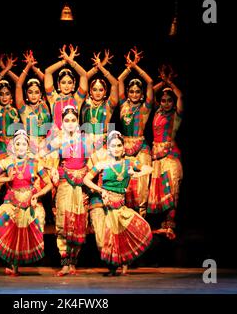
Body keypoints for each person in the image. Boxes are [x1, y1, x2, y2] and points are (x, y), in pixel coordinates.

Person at [83, 130, 153, 276]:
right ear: (109, 148)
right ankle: (113, 266)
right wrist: (100, 190)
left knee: (125, 234)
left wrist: (137, 173)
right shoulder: (103, 164)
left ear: (123, 147)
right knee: (108, 238)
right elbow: (86, 179)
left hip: (120, 205)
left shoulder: (130, 162)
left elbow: (149, 168)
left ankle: (123, 266)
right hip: (106, 204)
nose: (117, 148)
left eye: (119, 145)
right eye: (113, 146)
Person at [0, 130, 52, 276]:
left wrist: (37, 195)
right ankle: (12, 265)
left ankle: (14, 267)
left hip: (30, 201)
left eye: (24, 144)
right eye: (18, 144)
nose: (21, 147)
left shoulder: (35, 163)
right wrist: (7, 179)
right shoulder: (6, 162)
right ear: (13, 146)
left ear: (28, 146)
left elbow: (49, 184)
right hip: (12, 201)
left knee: (33, 225)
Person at [40, 105, 92, 276]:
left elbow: (94, 162)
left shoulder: (87, 140)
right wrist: (51, 168)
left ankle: (73, 263)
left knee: (79, 223)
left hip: (81, 185)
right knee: (63, 221)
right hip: (64, 183)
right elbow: (39, 154)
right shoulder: (58, 140)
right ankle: (64, 263)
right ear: (62, 122)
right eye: (67, 120)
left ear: (78, 121)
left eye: (73, 120)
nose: (70, 123)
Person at [81, 51, 119, 255]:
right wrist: (94, 68)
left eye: (99, 89)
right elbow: (83, 80)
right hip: (86, 147)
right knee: (84, 183)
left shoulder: (108, 106)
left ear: (104, 92)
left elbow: (115, 85)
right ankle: (87, 221)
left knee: (101, 183)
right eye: (93, 89)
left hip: (103, 148)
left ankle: (105, 218)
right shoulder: (84, 104)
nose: (96, 92)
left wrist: (102, 68)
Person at [147, 64, 183, 240]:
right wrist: (162, 82)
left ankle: (170, 226)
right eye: (164, 100)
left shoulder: (176, 115)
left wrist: (170, 82)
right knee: (159, 190)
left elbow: (181, 96)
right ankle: (162, 225)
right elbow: (150, 93)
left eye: (170, 100)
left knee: (171, 188)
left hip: (170, 155)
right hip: (156, 155)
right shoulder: (157, 111)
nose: (167, 103)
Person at [118, 47, 154, 216]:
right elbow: (119, 80)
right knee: (124, 176)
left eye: (137, 92)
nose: (133, 94)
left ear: (141, 95)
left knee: (142, 178)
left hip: (141, 145)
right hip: (124, 144)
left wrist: (137, 67)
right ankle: (126, 212)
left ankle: (142, 213)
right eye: (131, 91)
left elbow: (150, 83)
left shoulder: (145, 108)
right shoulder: (123, 105)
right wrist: (129, 67)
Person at [0, 56, 22, 210]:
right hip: (1, 147)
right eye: (1, 94)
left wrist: (9, 71)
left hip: (15, 148)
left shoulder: (17, 109)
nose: (4, 97)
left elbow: (19, 84)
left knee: (15, 182)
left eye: (7, 94)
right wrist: (5, 69)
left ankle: (12, 217)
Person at [44, 44, 88, 131]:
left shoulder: (77, 99)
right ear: (58, 84)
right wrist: (64, 61)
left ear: (74, 84)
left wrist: (71, 62)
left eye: (69, 82)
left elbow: (83, 75)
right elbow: (48, 72)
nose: (67, 86)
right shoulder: (53, 98)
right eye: (63, 82)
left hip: (74, 140)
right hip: (56, 139)